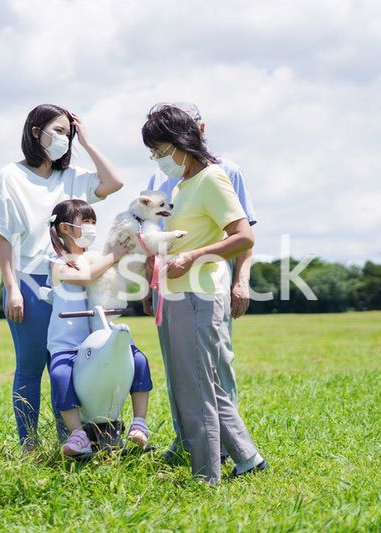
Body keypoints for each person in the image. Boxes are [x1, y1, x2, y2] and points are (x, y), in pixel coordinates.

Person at [0, 104, 124, 452]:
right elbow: (1, 238)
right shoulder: (10, 176)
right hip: (30, 283)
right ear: (36, 132)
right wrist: (12, 289)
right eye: (58, 131)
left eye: (68, 133)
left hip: (74, 282)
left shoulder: (73, 177)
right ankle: (29, 446)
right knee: (31, 368)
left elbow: (114, 182)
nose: (64, 139)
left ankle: (73, 440)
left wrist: (88, 141)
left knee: (73, 364)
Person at [142, 104, 267, 483]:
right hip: (177, 295)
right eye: (153, 153)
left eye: (162, 151)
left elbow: (243, 236)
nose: (158, 160)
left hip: (200, 294)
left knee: (195, 387)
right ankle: (247, 459)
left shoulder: (213, 178)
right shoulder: (182, 186)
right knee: (200, 382)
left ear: (184, 142)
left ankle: (206, 475)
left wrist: (192, 258)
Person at [45, 199, 153, 456]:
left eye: (95, 222)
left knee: (139, 361)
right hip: (67, 343)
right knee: (60, 376)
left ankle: (139, 422)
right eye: (86, 223)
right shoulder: (56, 262)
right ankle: (77, 434)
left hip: (102, 335)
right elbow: (85, 276)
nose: (92, 228)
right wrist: (114, 255)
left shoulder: (96, 257)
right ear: (65, 228)